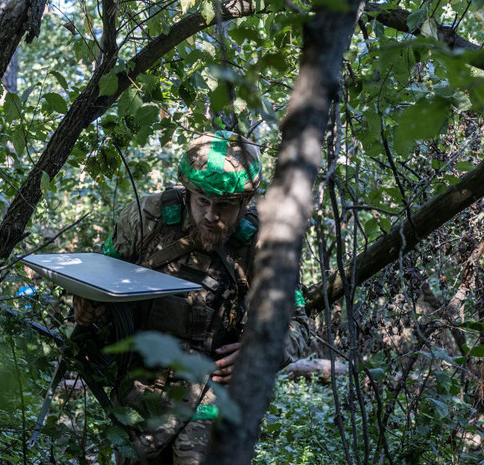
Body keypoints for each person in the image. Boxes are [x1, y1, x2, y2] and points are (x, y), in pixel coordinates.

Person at [74, 130, 310, 465]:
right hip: (140, 390)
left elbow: (298, 326)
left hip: (214, 396)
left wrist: (260, 351)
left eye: (225, 206)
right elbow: (100, 280)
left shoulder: (265, 244)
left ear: (247, 202)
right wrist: (86, 307)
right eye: (202, 201)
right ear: (187, 193)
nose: (212, 215)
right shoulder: (147, 218)